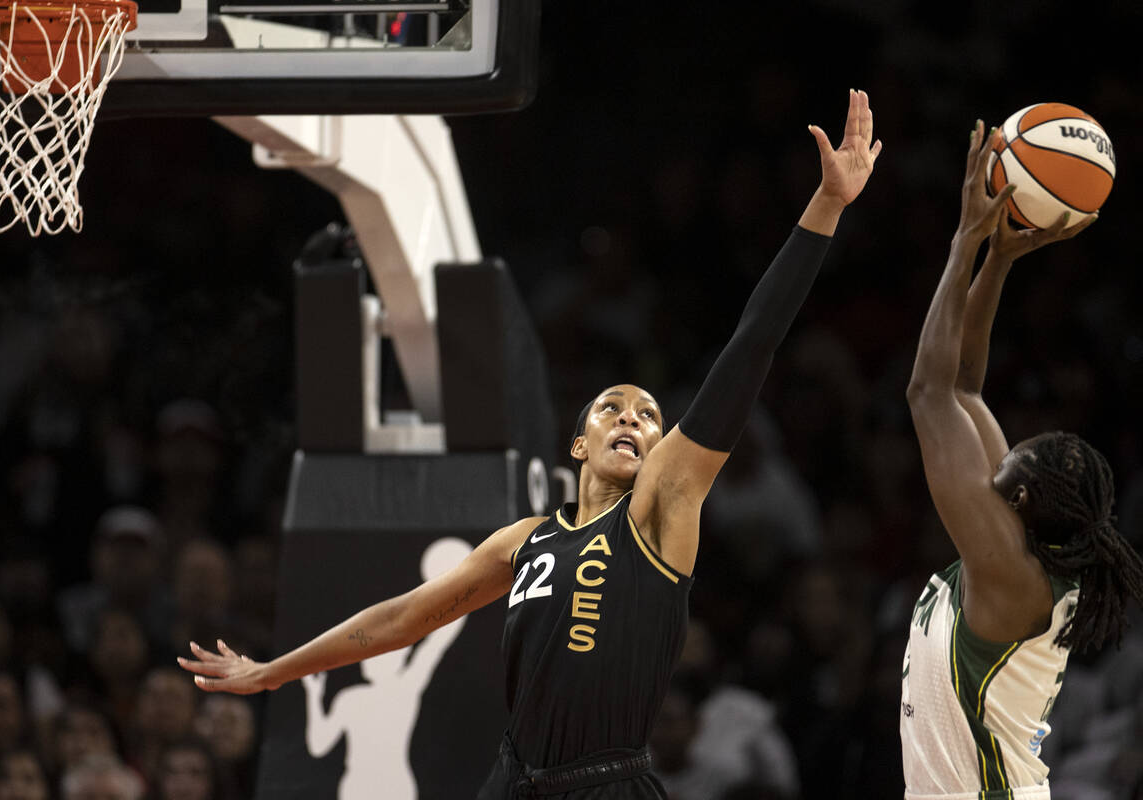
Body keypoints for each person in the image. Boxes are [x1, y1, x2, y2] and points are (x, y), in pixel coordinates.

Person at [176, 89, 881, 798]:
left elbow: (749, 346)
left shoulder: (661, 512)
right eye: (613, 408)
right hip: (515, 779)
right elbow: (402, 617)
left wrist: (825, 207)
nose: (633, 419)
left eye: (648, 414)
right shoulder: (523, 541)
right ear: (578, 445)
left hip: (608, 781)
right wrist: (271, 671)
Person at [901, 120, 1143, 799]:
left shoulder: (1010, 569)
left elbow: (928, 392)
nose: (1006, 444)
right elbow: (966, 386)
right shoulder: (1020, 551)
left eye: (1021, 452)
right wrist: (1000, 259)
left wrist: (966, 239)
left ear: (1025, 495)